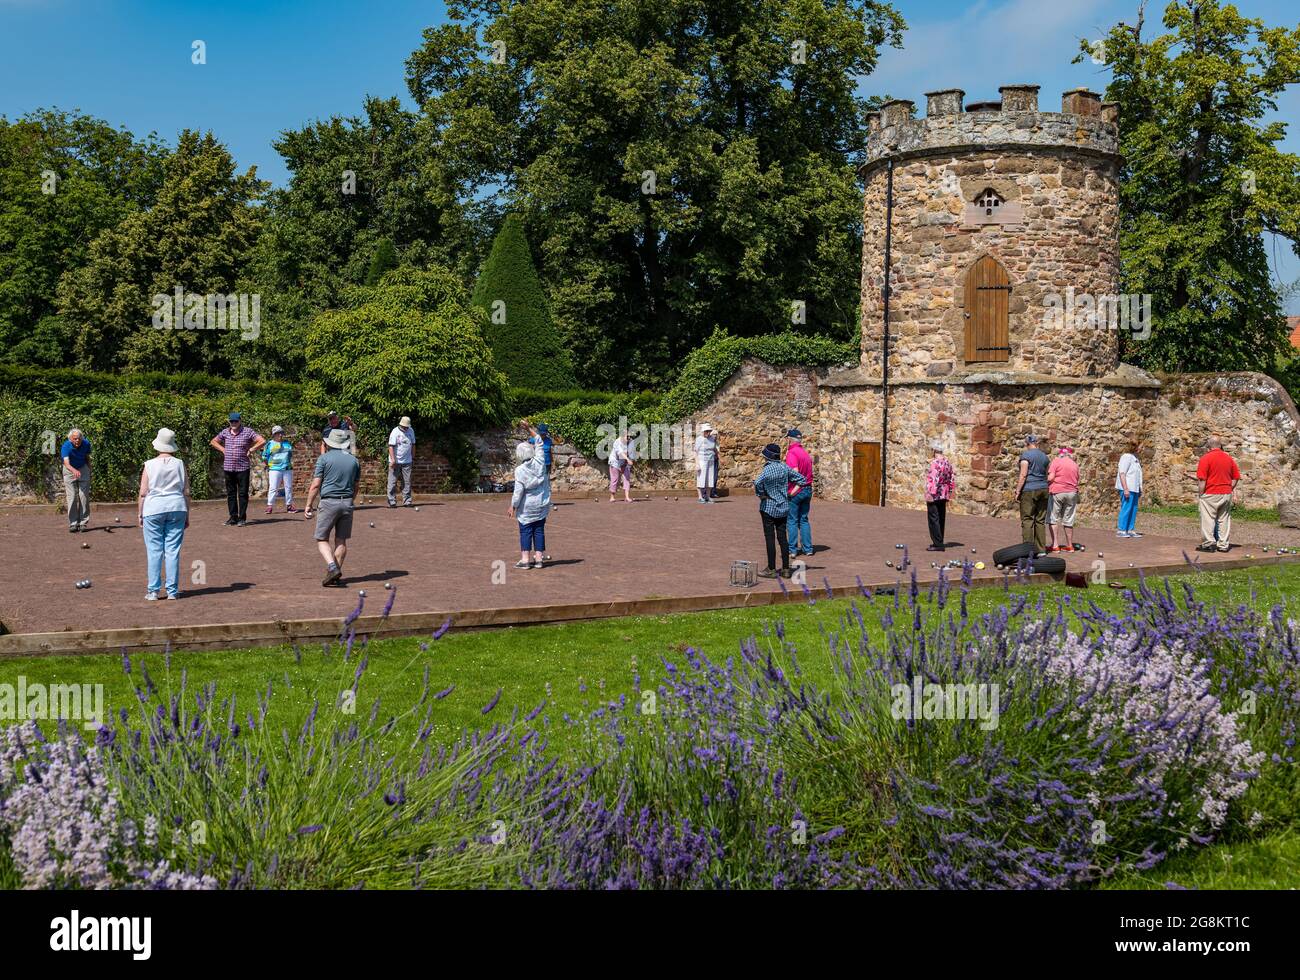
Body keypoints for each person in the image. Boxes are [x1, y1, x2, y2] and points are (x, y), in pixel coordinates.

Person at [304, 428, 362, 587]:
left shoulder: (324, 459)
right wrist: (350, 500)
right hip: (347, 502)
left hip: (329, 502)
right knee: (341, 540)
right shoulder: (354, 460)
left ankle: (332, 567)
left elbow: (316, 485)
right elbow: (356, 486)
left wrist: (308, 505)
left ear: (330, 443)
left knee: (321, 538)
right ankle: (334, 574)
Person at [137, 428, 190, 601]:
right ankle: (172, 592)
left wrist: (140, 514)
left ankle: (153, 591)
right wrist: (187, 514)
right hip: (177, 507)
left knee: (154, 551)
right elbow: (186, 491)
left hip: (154, 508)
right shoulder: (180, 463)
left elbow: (143, 492)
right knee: (172, 551)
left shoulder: (149, 464)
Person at [754, 442, 807, 579]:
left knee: (770, 538)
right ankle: (786, 569)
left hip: (769, 507)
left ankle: (771, 569)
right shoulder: (785, 468)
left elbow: (757, 482)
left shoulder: (767, 470)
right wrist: (791, 494)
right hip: (783, 507)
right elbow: (802, 480)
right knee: (783, 538)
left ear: (768, 457)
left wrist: (761, 494)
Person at [210, 412, 265, 527]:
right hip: (228, 467)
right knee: (231, 493)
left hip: (242, 467)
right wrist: (223, 449)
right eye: (231, 421)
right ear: (229, 422)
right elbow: (213, 441)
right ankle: (233, 517)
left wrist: (252, 449)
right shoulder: (225, 432)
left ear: (240, 421)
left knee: (243, 493)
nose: (233, 423)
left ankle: (242, 518)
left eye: (236, 421)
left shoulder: (248, 431)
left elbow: (262, 441)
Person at [1195, 436, 1241, 553]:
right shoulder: (1228, 458)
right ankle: (1223, 545)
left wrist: (1201, 494)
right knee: (1224, 519)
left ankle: (1209, 543)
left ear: (1209, 447)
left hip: (1210, 493)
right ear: (1220, 445)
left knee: (1208, 519)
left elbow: (1202, 479)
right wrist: (1229, 488)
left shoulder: (1205, 458)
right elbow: (1235, 477)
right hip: (1225, 493)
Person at [510, 441, 551, 568]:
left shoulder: (520, 470)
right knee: (539, 530)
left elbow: (518, 492)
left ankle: (525, 560)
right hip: (541, 503)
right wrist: (529, 429)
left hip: (527, 506)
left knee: (525, 531)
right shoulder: (540, 462)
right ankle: (539, 559)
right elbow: (539, 443)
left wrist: (513, 505)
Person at [1015, 434, 1050, 554]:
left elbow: (1023, 474)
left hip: (1030, 489)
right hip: (1044, 489)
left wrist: (1018, 490)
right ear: (1037, 443)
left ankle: (1028, 549)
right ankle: (1041, 549)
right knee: (1040, 520)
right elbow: (1047, 475)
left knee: (1027, 519)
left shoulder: (1026, 455)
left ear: (1028, 443)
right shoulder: (1045, 457)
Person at [785, 428, 814, 556]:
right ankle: (808, 548)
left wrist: (792, 492)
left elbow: (795, 472)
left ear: (790, 439)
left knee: (792, 520)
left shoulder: (792, 453)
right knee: (804, 519)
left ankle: (792, 549)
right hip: (808, 489)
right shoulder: (805, 453)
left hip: (797, 490)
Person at [1047, 445, 1080, 553]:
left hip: (1057, 491)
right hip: (1072, 493)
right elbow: (1077, 479)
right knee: (1068, 519)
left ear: (1060, 454)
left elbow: (1051, 477)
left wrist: (1045, 481)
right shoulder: (1075, 465)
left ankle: (1055, 545)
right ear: (1070, 455)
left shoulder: (1056, 461)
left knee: (1053, 518)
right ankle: (1070, 545)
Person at [924, 441, 955, 551]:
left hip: (935, 493)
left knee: (933, 518)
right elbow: (951, 478)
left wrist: (929, 494)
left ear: (934, 451)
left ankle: (937, 544)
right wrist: (950, 491)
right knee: (941, 517)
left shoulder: (935, 464)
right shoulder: (947, 462)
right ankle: (939, 541)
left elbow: (933, 479)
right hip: (944, 492)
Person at [60, 428, 92, 533]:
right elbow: (66, 463)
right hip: (69, 470)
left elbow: (87, 457)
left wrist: (89, 469)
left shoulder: (86, 443)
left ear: (81, 438)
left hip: (83, 468)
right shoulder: (66, 446)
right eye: (74, 439)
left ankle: (83, 523)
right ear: (70, 439)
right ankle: (73, 523)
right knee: (72, 496)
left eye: (78, 439)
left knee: (84, 496)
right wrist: (74, 471)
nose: (77, 441)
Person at [262, 425, 296, 514]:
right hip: (274, 469)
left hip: (287, 468)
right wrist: (269, 466)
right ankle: (269, 506)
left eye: (281, 433)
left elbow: (290, 455)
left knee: (288, 487)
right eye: (278, 433)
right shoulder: (269, 444)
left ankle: (289, 506)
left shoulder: (287, 443)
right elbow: (264, 457)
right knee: (273, 488)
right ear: (274, 434)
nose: (280, 435)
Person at [1115, 440, 1144, 538]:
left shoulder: (1135, 458)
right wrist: (1125, 488)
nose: (1141, 449)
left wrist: (1139, 488)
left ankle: (1130, 529)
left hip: (1134, 488)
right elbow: (1122, 473)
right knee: (1126, 508)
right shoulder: (1126, 457)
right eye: (1140, 446)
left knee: (1133, 509)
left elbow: (1137, 475)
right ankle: (1121, 529)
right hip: (1128, 487)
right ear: (1135, 446)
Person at [387, 416, 416, 508]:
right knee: (392, 482)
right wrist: (393, 460)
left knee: (407, 482)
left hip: (407, 461)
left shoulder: (411, 431)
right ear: (401, 425)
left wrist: (413, 457)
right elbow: (391, 446)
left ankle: (407, 501)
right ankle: (392, 501)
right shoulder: (395, 432)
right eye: (405, 426)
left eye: (407, 426)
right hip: (395, 461)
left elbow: (413, 445)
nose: (406, 428)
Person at [693, 423, 718, 503]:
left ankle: (708, 496)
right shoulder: (699, 439)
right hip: (702, 461)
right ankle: (700, 497)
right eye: (706, 431)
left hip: (711, 461)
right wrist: (697, 464)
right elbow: (696, 452)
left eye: (709, 431)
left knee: (710, 479)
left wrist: (717, 456)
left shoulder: (712, 439)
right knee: (701, 478)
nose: (708, 432)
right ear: (703, 431)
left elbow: (714, 449)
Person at [608, 431, 633, 503]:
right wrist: (628, 459)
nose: (629, 438)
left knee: (627, 478)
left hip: (624, 462)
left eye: (629, 436)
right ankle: (612, 497)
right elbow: (621, 453)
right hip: (614, 462)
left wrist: (630, 459)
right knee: (615, 479)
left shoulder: (630, 441)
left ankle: (627, 497)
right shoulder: (617, 442)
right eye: (627, 436)